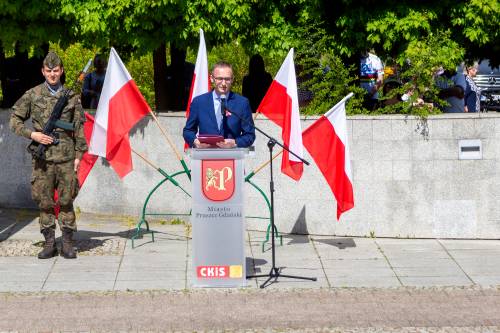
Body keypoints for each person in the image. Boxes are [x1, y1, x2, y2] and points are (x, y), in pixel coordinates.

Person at [9, 51, 87, 259]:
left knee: (66, 199)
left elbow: (79, 128)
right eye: (48, 71)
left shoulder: (71, 97)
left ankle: (68, 243)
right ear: (43, 72)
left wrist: (79, 156)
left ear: (61, 71)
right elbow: (14, 120)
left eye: (56, 71)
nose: (52, 74)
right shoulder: (32, 95)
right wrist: (33, 134)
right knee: (44, 201)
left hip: (66, 158)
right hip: (42, 159)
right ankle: (50, 243)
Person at [183, 61, 255, 149]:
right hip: (205, 156)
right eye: (220, 79)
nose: (224, 83)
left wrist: (235, 143)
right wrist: (195, 142)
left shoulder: (242, 103)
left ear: (232, 79)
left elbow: (250, 135)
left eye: (227, 79)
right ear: (212, 78)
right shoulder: (199, 102)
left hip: (232, 157)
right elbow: (188, 131)